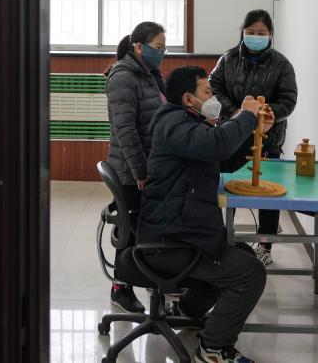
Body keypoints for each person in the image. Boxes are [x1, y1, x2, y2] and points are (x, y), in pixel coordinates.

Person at [138, 65, 271, 363]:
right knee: (250, 273)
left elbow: (224, 157)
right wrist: (246, 115)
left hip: (179, 231)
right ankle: (214, 348)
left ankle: (186, 312)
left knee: (241, 254)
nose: (213, 98)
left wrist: (255, 130)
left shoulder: (188, 122)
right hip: (169, 242)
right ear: (188, 98)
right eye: (207, 91)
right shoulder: (175, 124)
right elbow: (218, 144)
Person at [209, 9, 298, 266]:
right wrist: (235, 111)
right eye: (251, 32)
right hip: (231, 134)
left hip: (268, 137)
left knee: (269, 194)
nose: (256, 37)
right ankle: (225, 239)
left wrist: (269, 112)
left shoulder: (281, 64)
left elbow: (289, 99)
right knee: (228, 187)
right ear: (243, 33)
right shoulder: (228, 59)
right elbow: (213, 85)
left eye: (261, 33)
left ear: (270, 34)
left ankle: (265, 245)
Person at [104, 20, 167, 313]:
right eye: (158, 47)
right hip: (130, 170)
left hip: (146, 163)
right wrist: (141, 172)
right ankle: (121, 288)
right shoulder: (123, 77)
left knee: (143, 226)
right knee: (130, 230)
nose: (161, 53)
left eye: (164, 48)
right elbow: (126, 131)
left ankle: (152, 277)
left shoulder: (148, 73)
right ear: (139, 47)